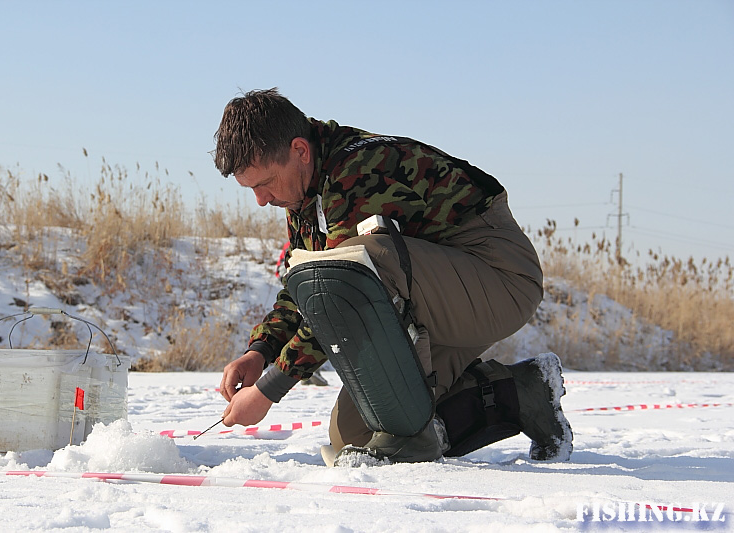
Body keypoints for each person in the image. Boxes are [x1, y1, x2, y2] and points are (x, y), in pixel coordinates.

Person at [213, 88, 572, 466]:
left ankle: (429, 431)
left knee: (360, 260)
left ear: (299, 151)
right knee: (355, 436)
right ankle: (522, 392)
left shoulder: (357, 171)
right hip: (436, 293)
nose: (261, 200)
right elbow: (306, 286)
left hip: (498, 279)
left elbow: (341, 292)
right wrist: (260, 351)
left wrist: (270, 389)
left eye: (263, 184)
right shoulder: (304, 191)